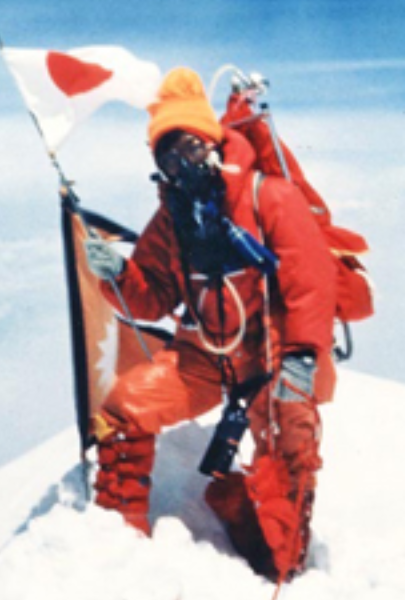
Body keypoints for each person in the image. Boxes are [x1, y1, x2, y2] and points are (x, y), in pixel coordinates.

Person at [83, 67, 337, 581]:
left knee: (291, 444)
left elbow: (311, 283)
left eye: (191, 146)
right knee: (125, 410)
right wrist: (117, 277)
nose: (183, 162)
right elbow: (152, 296)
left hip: (271, 361)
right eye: (169, 154)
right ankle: (117, 541)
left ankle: (287, 569)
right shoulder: (172, 221)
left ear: (214, 140)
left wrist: (302, 358)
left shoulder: (269, 198)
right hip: (203, 360)